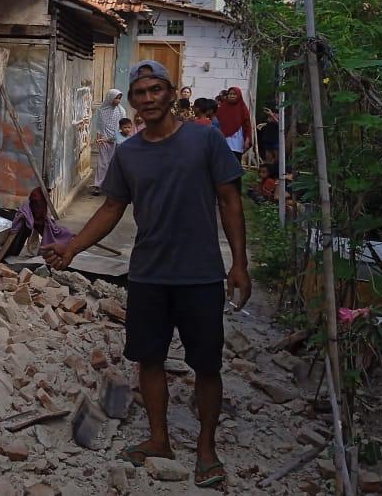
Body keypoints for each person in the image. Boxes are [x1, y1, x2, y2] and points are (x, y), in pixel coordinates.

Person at [44, 60, 249, 490]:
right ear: (132, 101)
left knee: (206, 365)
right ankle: (160, 439)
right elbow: (111, 208)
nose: (149, 98)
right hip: (148, 276)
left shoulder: (204, 140)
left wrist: (239, 264)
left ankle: (206, 449)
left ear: (171, 94)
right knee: (149, 359)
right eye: (141, 92)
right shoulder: (129, 153)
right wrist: (72, 247)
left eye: (156, 90)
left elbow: (230, 200)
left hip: (200, 275)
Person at [9, 187, 73, 257]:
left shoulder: (40, 203)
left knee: (58, 234)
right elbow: (37, 215)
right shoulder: (36, 202)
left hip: (42, 222)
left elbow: (41, 215)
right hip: (38, 221)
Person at [92, 89, 126, 195]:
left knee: (115, 164)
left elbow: (123, 126)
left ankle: (112, 186)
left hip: (116, 141)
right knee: (102, 164)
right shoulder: (102, 111)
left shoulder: (121, 111)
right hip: (104, 141)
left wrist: (118, 139)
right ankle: (98, 186)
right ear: (110, 98)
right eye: (116, 98)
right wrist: (99, 138)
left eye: (119, 98)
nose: (118, 101)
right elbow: (99, 126)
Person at [216, 86, 253, 161]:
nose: (232, 96)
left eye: (234, 94)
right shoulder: (222, 108)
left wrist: (247, 139)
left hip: (237, 141)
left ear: (239, 95)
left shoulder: (243, 108)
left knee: (235, 162)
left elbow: (247, 125)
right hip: (223, 140)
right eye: (230, 94)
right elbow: (216, 122)